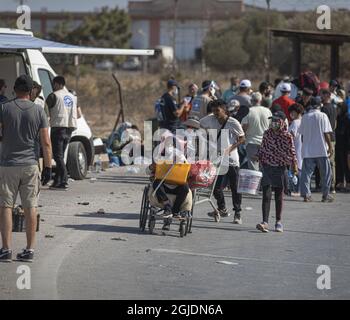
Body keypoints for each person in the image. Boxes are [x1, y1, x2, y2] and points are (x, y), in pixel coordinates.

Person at [0, 75, 52, 263]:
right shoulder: (39, 111)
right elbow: (46, 142)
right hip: (30, 165)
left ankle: (6, 249)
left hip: (7, 165)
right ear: (31, 92)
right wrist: (47, 167)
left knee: (6, 206)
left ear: (14, 89)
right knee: (31, 207)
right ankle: (29, 250)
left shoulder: (4, 108)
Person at [204, 99, 245, 224]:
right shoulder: (210, 119)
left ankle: (237, 213)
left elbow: (242, 139)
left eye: (217, 111)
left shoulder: (233, 122)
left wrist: (230, 148)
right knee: (216, 188)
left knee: (235, 188)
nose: (215, 113)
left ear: (224, 110)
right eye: (213, 111)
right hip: (217, 160)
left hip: (232, 160)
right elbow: (198, 124)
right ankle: (222, 208)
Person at [256, 111, 298, 233]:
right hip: (267, 166)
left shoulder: (287, 136)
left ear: (281, 122)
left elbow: (292, 151)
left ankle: (278, 222)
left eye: (276, 120)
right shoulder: (267, 133)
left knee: (279, 195)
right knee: (266, 194)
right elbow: (263, 147)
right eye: (272, 120)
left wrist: (294, 165)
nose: (273, 123)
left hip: (280, 167)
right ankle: (264, 222)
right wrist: (258, 156)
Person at [299, 98, 334, 203]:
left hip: (308, 150)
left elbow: (302, 136)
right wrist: (330, 147)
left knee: (306, 174)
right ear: (320, 105)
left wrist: (305, 146)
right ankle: (325, 195)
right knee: (326, 173)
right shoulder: (323, 116)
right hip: (321, 149)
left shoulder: (305, 117)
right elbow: (326, 133)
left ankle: (306, 195)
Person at [46, 76, 77, 190]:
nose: (53, 87)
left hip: (58, 128)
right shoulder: (72, 97)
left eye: (54, 84)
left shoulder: (54, 95)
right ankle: (57, 181)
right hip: (69, 128)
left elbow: (46, 110)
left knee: (57, 156)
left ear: (58, 84)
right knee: (60, 156)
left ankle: (64, 180)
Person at [241, 92, 272, 171]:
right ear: (260, 100)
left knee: (253, 167)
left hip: (251, 142)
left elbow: (244, 127)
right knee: (264, 166)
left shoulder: (248, 111)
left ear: (251, 100)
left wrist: (241, 139)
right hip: (265, 142)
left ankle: (256, 183)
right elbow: (271, 126)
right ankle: (264, 183)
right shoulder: (267, 111)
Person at [320, 89, 337, 193]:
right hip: (333, 137)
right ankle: (332, 185)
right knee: (332, 163)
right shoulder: (334, 108)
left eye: (322, 95)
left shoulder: (323, 109)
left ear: (327, 96)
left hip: (325, 137)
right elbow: (335, 123)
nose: (321, 97)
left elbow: (323, 126)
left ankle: (326, 184)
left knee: (325, 162)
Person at [288, 103, 304, 193]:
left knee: (295, 169)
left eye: (292, 112)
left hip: (295, 148)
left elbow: (291, 136)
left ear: (297, 112)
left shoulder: (295, 122)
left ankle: (296, 190)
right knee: (300, 168)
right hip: (303, 148)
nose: (291, 114)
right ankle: (301, 189)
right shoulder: (304, 121)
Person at [335, 100, 350, 191]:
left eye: (339, 108)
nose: (337, 110)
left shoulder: (347, 119)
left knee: (346, 165)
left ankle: (348, 182)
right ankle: (340, 182)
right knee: (339, 164)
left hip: (345, 145)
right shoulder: (338, 118)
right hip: (339, 144)